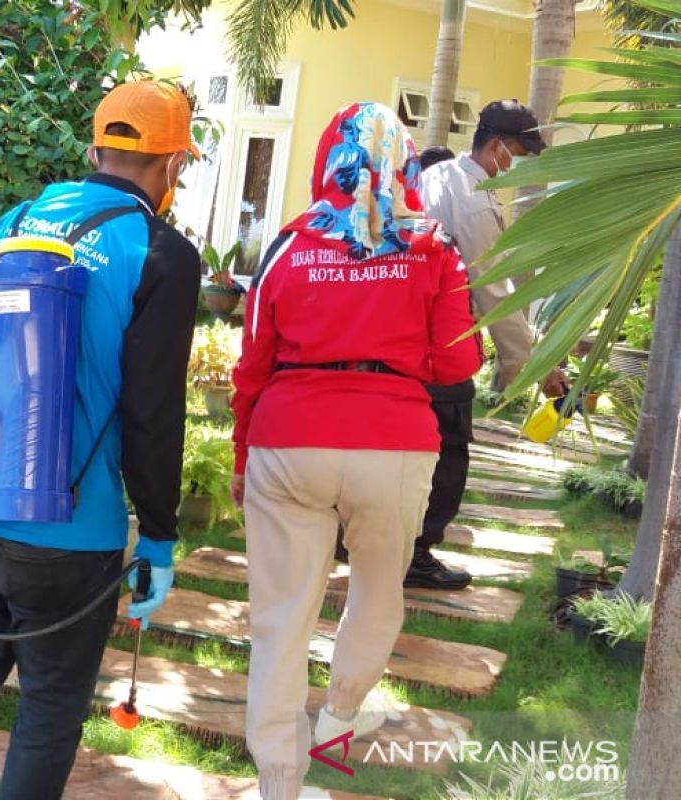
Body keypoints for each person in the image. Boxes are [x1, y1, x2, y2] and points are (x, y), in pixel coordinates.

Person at [0, 80, 202, 800]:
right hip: (69, 525)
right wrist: (156, 534)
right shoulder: (160, 253)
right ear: (173, 166)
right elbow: (154, 412)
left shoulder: (16, 220)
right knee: (53, 701)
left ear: (94, 150)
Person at [229, 102, 483, 800]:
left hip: (289, 439)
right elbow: (457, 364)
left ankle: (279, 782)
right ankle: (339, 725)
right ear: (400, 158)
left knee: (281, 615)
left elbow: (253, 362)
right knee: (376, 593)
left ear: (328, 158)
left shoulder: (287, 242)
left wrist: (243, 452)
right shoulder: (433, 246)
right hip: (393, 444)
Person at [407, 99, 568, 590]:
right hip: (441, 347)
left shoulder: (441, 175)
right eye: (517, 153)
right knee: (448, 456)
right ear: (496, 146)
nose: (516, 164)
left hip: (406, 339)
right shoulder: (474, 197)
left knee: (413, 451)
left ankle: (390, 545)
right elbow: (492, 288)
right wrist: (536, 364)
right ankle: (415, 555)